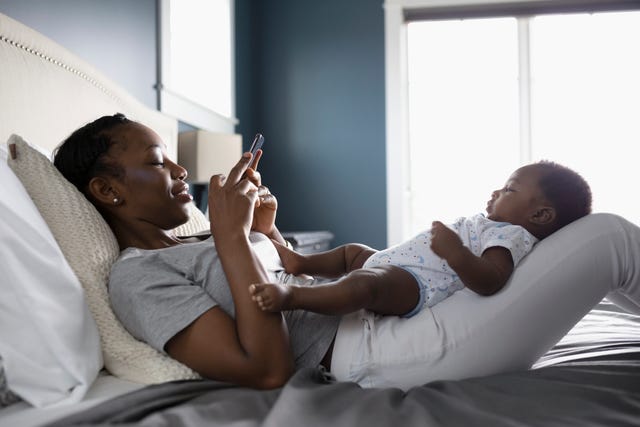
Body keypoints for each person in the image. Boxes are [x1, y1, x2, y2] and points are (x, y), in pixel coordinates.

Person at [53, 113, 639, 392]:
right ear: (108, 191)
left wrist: (267, 237)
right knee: (609, 237)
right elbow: (267, 367)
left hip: (386, 312)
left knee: (554, 244)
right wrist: (235, 240)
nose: (182, 170)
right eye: (159, 163)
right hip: (374, 347)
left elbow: (276, 287)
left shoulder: (200, 239)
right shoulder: (136, 280)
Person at [248, 161, 591, 318]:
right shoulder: (496, 225)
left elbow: (491, 280)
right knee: (354, 253)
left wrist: (456, 253)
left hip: (419, 285)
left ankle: (293, 296)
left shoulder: (512, 236)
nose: (497, 192)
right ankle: (299, 262)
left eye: (510, 189)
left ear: (541, 215)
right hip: (399, 264)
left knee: (365, 283)